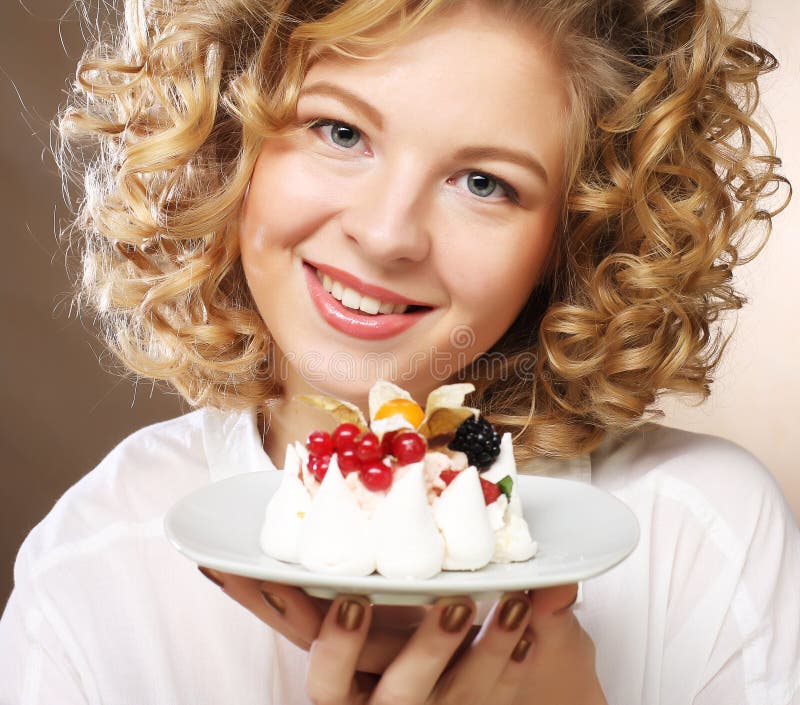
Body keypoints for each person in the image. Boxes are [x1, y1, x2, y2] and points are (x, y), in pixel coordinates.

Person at [1, 0, 797, 703]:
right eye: (341, 132)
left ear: (577, 240)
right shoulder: (93, 568)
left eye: (483, 183)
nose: (386, 236)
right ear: (229, 137)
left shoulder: (704, 537)